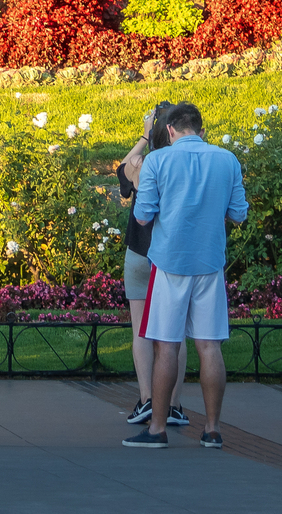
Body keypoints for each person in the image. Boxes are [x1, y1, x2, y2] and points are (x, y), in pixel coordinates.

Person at [126, 103, 247, 452]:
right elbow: (238, 213)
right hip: (209, 261)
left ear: (170, 131)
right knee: (209, 346)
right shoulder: (227, 160)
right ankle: (212, 430)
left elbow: (144, 217)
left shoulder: (158, 162)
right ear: (202, 130)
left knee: (166, 347)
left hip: (169, 263)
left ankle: (157, 429)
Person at [118, 102, 187, 430]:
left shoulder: (140, 164)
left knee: (140, 331)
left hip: (139, 253)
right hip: (171, 255)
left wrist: (144, 136)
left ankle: (146, 399)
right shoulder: (182, 165)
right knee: (176, 334)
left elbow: (122, 167)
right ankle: (172, 405)